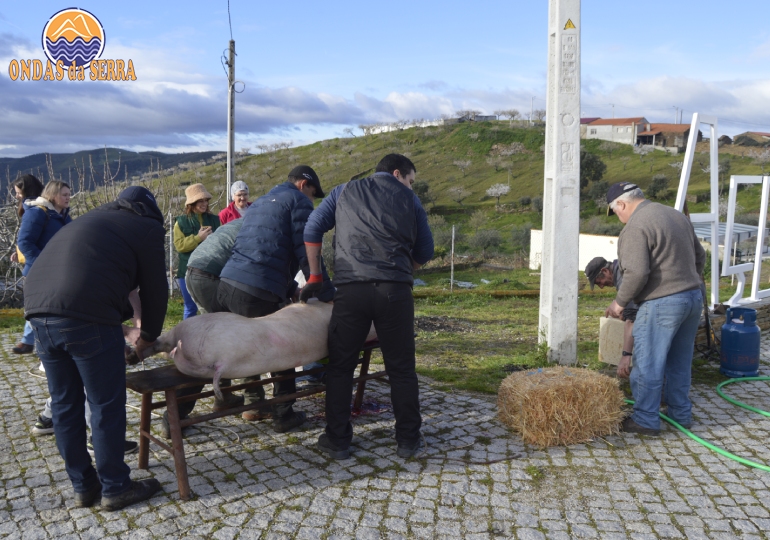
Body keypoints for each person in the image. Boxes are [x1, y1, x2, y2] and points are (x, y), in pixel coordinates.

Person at [24, 186, 168, 510]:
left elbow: (114, 280)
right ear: (149, 211)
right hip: (84, 314)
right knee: (105, 403)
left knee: (64, 403)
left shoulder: (94, 221)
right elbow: (156, 290)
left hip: (37, 310)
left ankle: (84, 485)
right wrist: (148, 337)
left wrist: (129, 326)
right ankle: (116, 486)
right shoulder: (146, 227)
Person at [303, 154, 434, 460]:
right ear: (397, 173)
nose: (411, 187)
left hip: (350, 291)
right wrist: (403, 271)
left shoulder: (342, 191)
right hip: (395, 292)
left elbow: (312, 230)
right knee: (401, 370)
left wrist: (316, 277)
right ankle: (407, 440)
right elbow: (425, 250)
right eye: (411, 181)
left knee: (340, 366)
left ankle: (337, 441)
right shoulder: (410, 201)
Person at [215, 165, 334, 430]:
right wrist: (326, 291)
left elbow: (261, 248)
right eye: (313, 194)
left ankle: (176, 413)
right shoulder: (298, 202)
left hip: (228, 281)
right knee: (283, 349)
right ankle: (283, 413)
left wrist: (289, 286)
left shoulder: (260, 204)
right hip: (257, 291)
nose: (312, 200)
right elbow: (307, 249)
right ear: (304, 185)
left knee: (229, 346)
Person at [604, 182, 705, 436]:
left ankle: (646, 419)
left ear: (623, 204)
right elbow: (700, 257)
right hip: (693, 299)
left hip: (662, 303)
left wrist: (619, 302)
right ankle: (680, 414)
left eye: (616, 212)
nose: (619, 218)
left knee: (647, 363)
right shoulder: (676, 216)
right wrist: (686, 283)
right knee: (679, 363)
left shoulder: (635, 226)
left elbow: (637, 272)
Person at [585, 256, 637, 378]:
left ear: (605, 271)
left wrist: (626, 355)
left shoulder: (623, 278)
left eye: (599, 282)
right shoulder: (622, 268)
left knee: (642, 370)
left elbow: (632, 320)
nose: (602, 286)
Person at [173, 183, 220, 319]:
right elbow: (180, 246)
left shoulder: (215, 220)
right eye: (201, 201)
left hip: (211, 271)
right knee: (190, 307)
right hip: (186, 271)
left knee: (212, 307)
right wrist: (198, 238)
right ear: (192, 203)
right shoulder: (180, 222)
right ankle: (186, 339)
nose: (204, 203)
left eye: (206, 200)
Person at [10, 174, 44, 355]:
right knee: (34, 305)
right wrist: (20, 254)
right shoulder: (40, 208)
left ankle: (32, 342)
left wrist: (36, 261)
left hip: (36, 266)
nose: (16, 196)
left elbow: (28, 240)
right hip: (34, 262)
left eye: (18, 192)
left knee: (34, 306)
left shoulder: (35, 209)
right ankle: (28, 341)